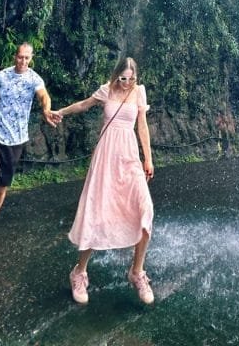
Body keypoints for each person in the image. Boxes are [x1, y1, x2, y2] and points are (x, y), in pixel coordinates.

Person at [52, 56, 155, 305]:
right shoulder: (106, 90)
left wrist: (148, 159)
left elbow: (142, 126)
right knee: (97, 212)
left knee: (146, 209)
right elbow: (83, 105)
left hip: (129, 157)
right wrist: (61, 112)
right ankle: (79, 272)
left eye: (131, 79)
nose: (127, 83)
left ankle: (136, 272)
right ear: (116, 74)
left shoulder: (138, 92)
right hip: (106, 159)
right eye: (123, 78)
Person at [0, 42, 56, 266]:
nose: (22, 61)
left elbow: (44, 96)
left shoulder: (34, 79)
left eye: (26, 58)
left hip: (16, 140)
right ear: (14, 56)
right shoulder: (2, 76)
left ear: (31, 59)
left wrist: (45, 110)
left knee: (1, 189)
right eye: (19, 57)